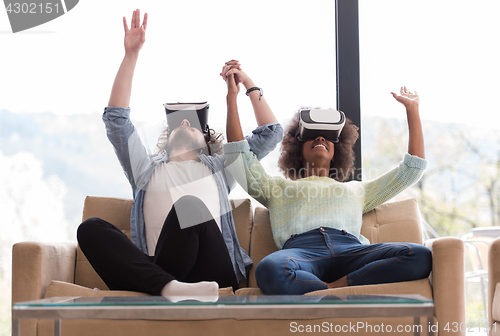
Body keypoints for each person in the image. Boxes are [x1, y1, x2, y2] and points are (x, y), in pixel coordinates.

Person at [77, 9, 283, 299]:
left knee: (190, 206)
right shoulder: (145, 170)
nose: (185, 122)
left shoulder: (221, 169)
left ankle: (160, 289)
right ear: (167, 137)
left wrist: (245, 84)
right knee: (90, 228)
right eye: (179, 122)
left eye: (195, 125)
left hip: (212, 272)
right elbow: (116, 120)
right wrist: (131, 55)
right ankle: (167, 288)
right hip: (159, 267)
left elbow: (271, 133)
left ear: (208, 141)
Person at [222, 66, 432, 295]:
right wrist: (234, 96)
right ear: (298, 151)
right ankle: (336, 291)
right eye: (311, 135)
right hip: (301, 253)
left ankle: (332, 289)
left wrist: (412, 110)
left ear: (336, 152)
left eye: (327, 137)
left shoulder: (358, 190)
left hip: (351, 250)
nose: (320, 137)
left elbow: (410, 171)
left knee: (419, 256)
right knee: (269, 269)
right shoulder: (277, 188)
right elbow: (238, 158)